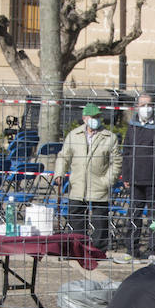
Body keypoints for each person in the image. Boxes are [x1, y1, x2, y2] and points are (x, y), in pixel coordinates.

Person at [54, 103, 122, 254]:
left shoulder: (109, 137)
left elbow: (116, 162)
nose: (96, 119)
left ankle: (98, 251)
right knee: (76, 219)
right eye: (93, 117)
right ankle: (78, 250)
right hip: (78, 184)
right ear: (85, 118)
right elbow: (64, 156)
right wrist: (59, 173)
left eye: (98, 116)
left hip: (99, 185)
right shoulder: (73, 135)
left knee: (100, 220)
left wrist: (107, 181)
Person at [121, 92, 155, 263]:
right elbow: (127, 151)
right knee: (134, 215)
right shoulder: (133, 125)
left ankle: (154, 251)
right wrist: (126, 175)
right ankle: (132, 250)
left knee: (154, 217)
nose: (146, 109)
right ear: (137, 107)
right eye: (142, 105)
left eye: (149, 105)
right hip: (136, 179)